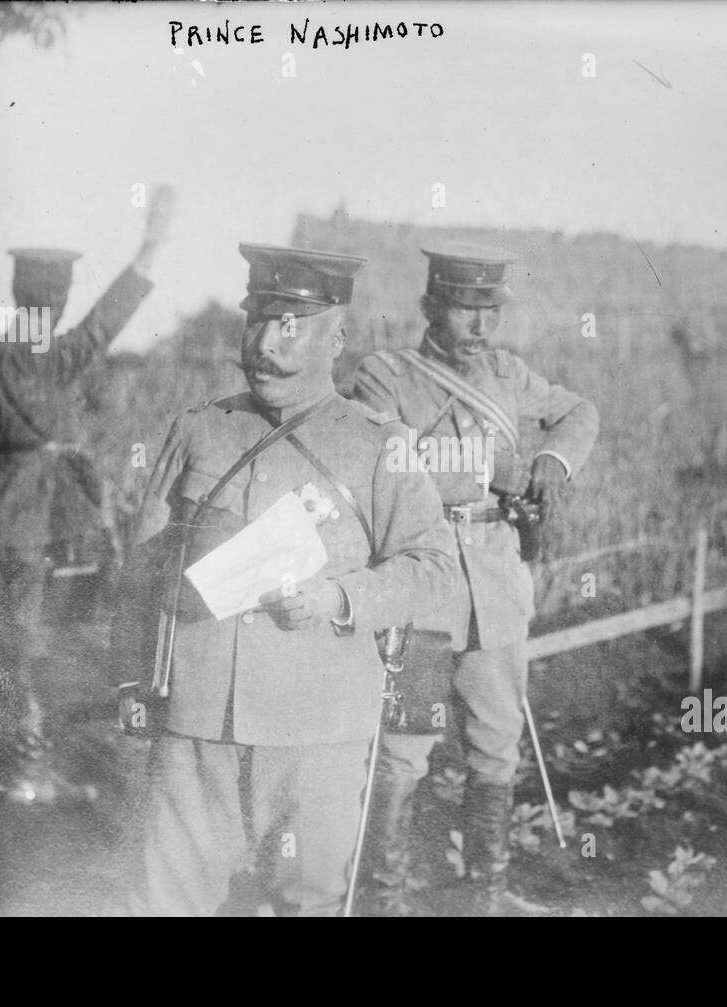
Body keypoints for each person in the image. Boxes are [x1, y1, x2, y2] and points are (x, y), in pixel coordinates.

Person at [110, 244, 458, 916]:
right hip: (196, 724)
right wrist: (134, 678)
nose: (268, 344)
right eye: (259, 321)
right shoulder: (199, 430)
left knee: (308, 901)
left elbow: (434, 566)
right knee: (161, 903)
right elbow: (143, 563)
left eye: (293, 327)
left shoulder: (377, 444)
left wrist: (340, 596)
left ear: (339, 337)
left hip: (317, 731)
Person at [352, 242, 600, 914]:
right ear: (431, 306)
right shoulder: (385, 377)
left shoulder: (512, 377)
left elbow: (581, 414)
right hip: (421, 583)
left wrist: (551, 460)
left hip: (492, 583)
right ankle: (387, 895)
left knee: (496, 743)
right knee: (404, 748)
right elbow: (375, 468)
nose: (479, 323)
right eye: (465, 306)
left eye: (489, 308)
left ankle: (484, 892)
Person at [0, 186, 174, 796]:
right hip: (24, 518)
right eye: (45, 297)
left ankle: (17, 751)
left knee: (38, 634)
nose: (49, 309)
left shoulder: (23, 354)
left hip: (51, 515)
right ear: (27, 298)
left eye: (53, 299)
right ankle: (20, 759)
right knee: (23, 637)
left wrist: (151, 246)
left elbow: (106, 321)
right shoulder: (13, 358)